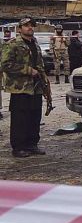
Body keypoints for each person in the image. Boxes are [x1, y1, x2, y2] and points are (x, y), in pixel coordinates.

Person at [1, 17, 46, 157]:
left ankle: (32, 144)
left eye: (31, 25)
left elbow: (40, 64)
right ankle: (18, 147)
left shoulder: (35, 44)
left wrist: (44, 82)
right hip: (20, 88)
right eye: (26, 25)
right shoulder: (12, 44)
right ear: (19, 29)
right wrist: (27, 70)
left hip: (36, 87)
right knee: (20, 119)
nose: (30, 27)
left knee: (34, 116)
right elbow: (5, 65)